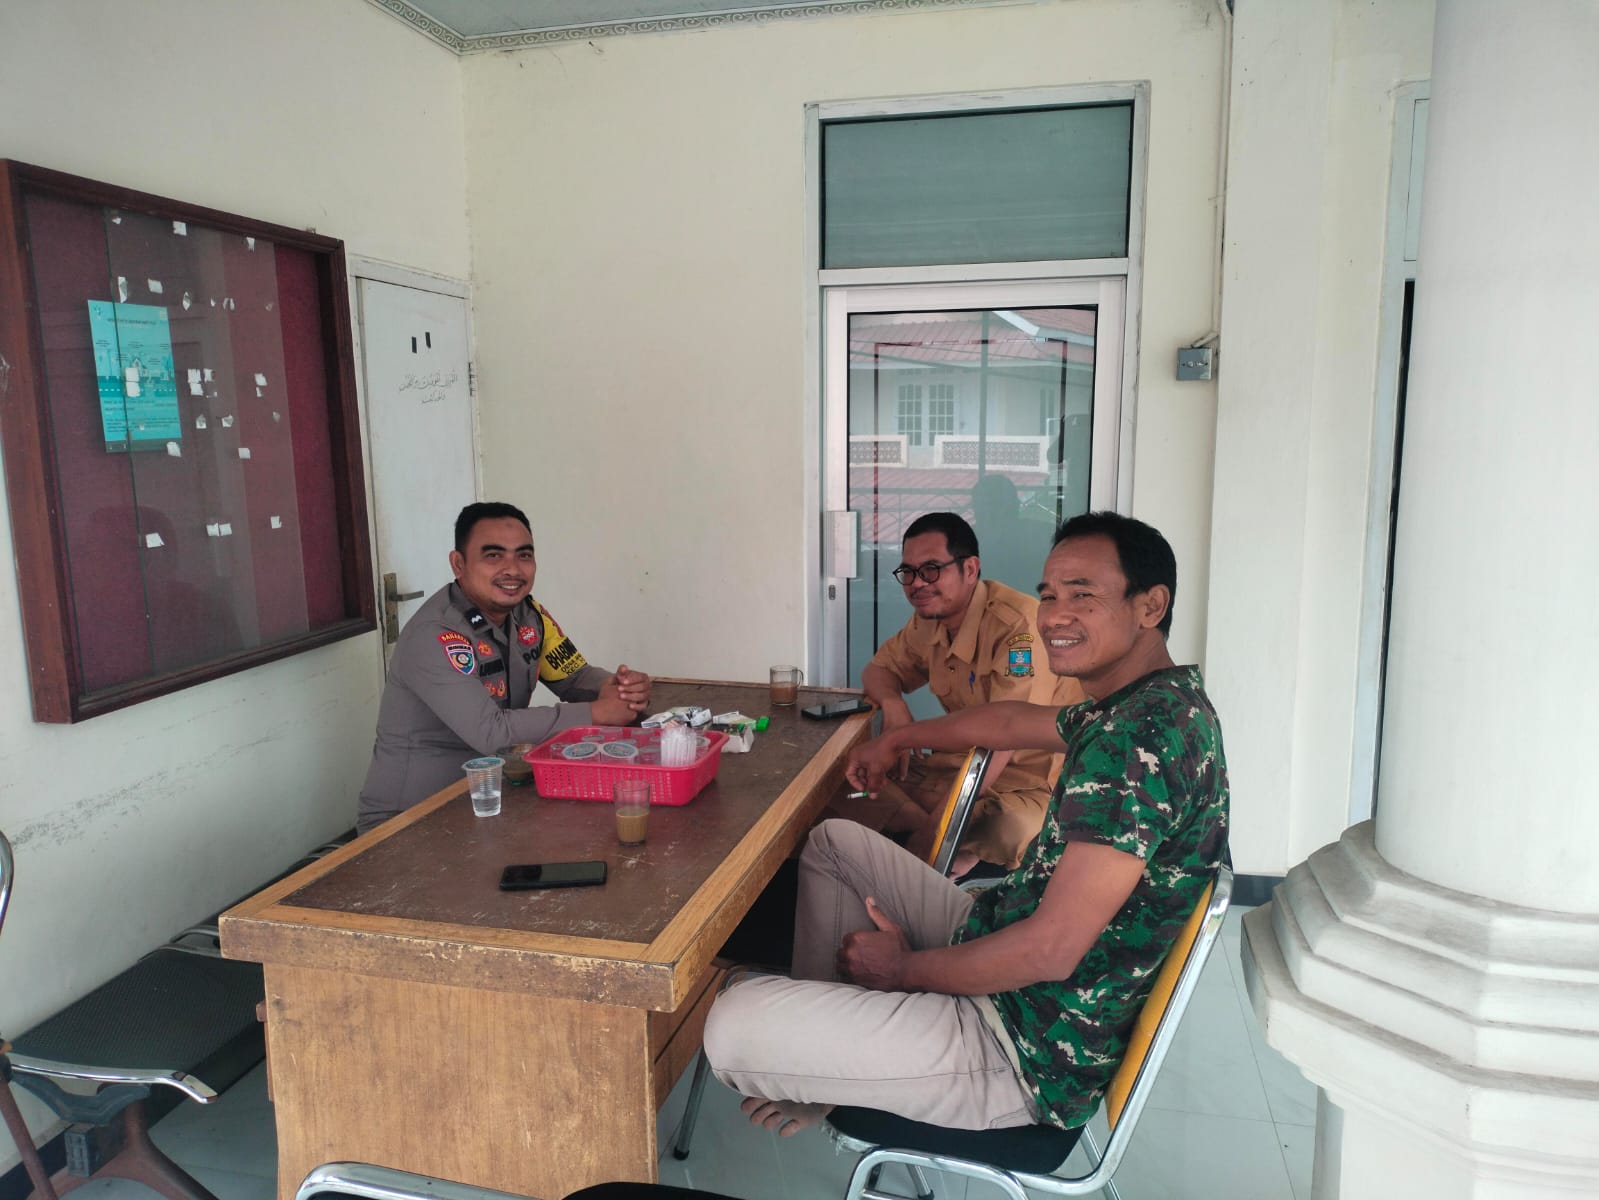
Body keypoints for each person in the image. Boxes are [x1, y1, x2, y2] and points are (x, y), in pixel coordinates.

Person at [702, 511, 1229, 1138]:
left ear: (1150, 606)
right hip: (999, 937)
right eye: (1048, 595)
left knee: (729, 1026)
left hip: (1021, 1045)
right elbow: (1006, 721)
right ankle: (832, 1062)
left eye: (1082, 595)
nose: (1054, 617)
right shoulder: (1138, 705)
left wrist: (901, 970)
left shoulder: (1138, 741)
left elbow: (1050, 951)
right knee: (835, 843)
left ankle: (838, 1050)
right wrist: (897, 737)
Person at [357, 502, 651, 832]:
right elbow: (491, 732)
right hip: (409, 820)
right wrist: (597, 713)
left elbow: (575, 676)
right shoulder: (435, 634)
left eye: (523, 555)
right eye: (493, 555)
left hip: (489, 797)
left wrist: (620, 687)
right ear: (458, 564)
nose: (512, 569)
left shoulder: (528, 615)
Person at [839, 511, 1082, 874]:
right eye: (908, 572)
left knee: (1005, 829)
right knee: (844, 783)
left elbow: (1004, 736)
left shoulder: (1017, 629)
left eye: (931, 569)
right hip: (958, 765)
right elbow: (878, 670)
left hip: (1026, 783)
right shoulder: (930, 619)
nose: (917, 584)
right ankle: (942, 836)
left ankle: (935, 835)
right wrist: (893, 705)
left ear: (970, 569)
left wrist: (935, 834)